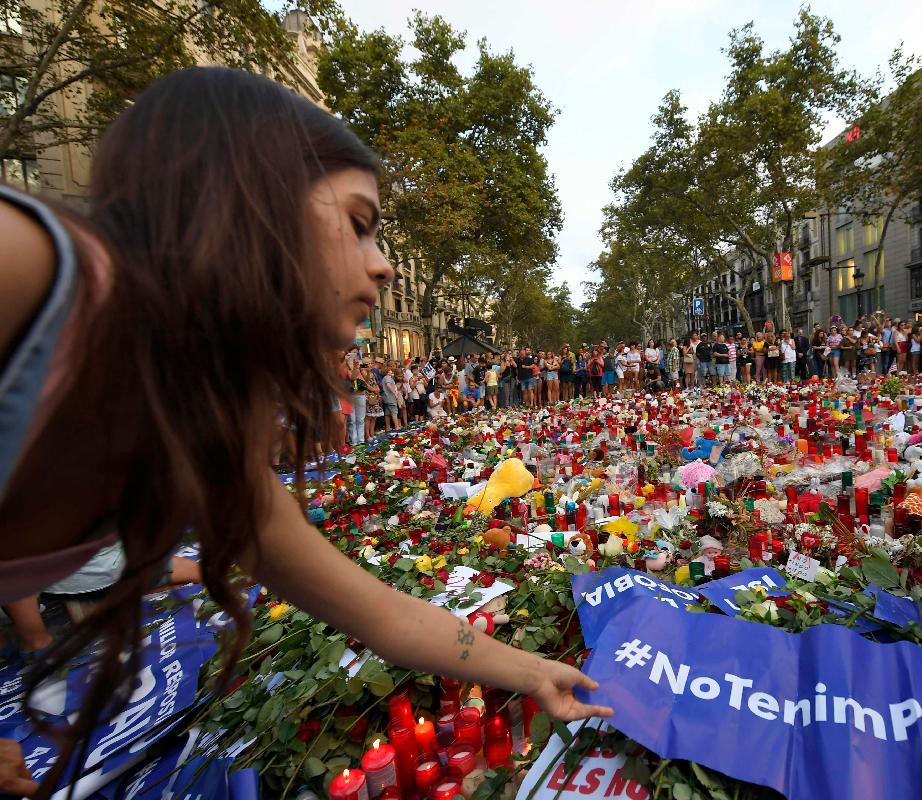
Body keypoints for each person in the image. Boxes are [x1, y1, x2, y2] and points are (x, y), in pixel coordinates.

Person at [0, 68, 606, 797]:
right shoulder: (30, 271)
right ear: (245, 202)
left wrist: (534, 671)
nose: (382, 265)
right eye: (357, 223)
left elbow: (380, 613)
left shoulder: (203, 432)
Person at [382, 367, 403, 431]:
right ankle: (397, 426)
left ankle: (388, 427)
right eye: (390, 371)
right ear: (387, 372)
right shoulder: (388, 377)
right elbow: (388, 385)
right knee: (394, 412)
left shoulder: (384, 378)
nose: (392, 372)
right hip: (391, 398)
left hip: (386, 398)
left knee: (387, 413)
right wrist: (394, 393)